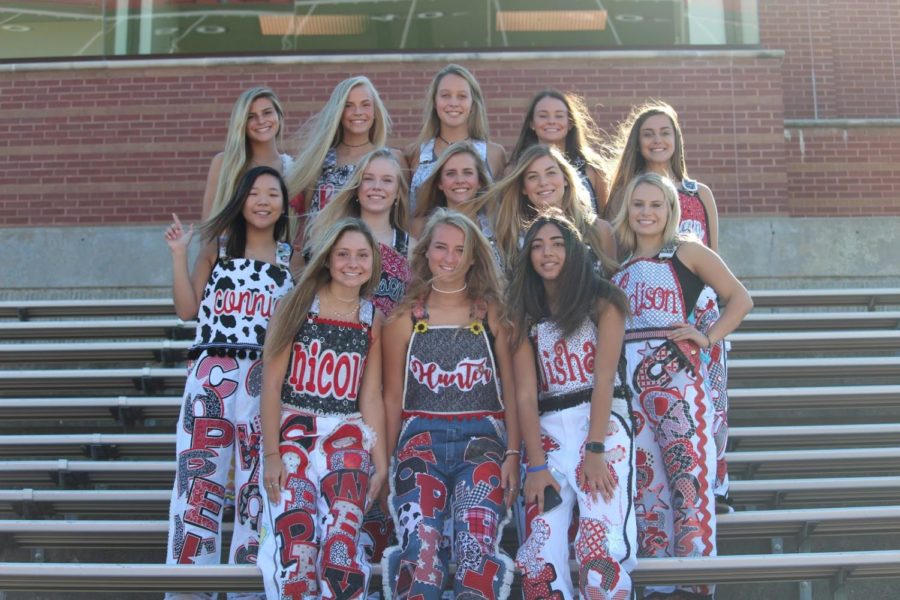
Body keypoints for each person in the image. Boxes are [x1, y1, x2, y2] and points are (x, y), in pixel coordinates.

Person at [610, 172, 752, 599]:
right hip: (633, 394)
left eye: (656, 205)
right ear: (627, 211)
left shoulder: (687, 251)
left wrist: (707, 337)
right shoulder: (620, 268)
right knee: (646, 491)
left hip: (679, 389)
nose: (646, 213)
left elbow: (740, 298)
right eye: (638, 205)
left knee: (688, 488)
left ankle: (695, 587)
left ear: (670, 209)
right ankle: (657, 586)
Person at [164, 166, 293, 599]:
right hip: (210, 375)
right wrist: (179, 255)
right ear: (239, 200)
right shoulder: (214, 250)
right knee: (197, 485)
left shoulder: (294, 258)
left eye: (272, 193)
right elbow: (186, 309)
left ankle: (248, 590)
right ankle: (188, 591)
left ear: (283, 204)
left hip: (264, 379)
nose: (262, 200)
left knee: (257, 489)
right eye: (253, 192)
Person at [380, 209, 520, 600]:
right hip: (419, 443)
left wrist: (513, 453)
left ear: (474, 257)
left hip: (483, 445)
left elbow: (511, 389)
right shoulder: (406, 317)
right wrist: (385, 460)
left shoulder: (489, 311)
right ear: (425, 252)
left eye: (460, 250)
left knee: (476, 554)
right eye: (440, 247)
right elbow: (393, 397)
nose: (449, 258)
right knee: (419, 554)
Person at [606, 101, 731, 510]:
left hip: (700, 310)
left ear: (676, 140)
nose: (657, 140)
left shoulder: (699, 194)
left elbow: (712, 254)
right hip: (650, 318)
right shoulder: (628, 195)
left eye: (665, 132)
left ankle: (714, 489)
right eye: (649, 133)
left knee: (711, 404)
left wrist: (710, 330)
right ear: (638, 144)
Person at [257, 218, 388, 600]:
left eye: (362, 255)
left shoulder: (372, 318)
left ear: (373, 262)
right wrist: (271, 455)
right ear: (328, 259)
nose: (353, 263)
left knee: (341, 548)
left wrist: (380, 461)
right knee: (297, 548)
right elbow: (270, 383)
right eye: (343, 254)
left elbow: (371, 396)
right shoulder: (297, 305)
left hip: (346, 438)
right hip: (295, 434)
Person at [508, 209, 636, 599]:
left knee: (599, 547)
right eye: (538, 246)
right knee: (538, 560)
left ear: (575, 250)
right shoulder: (524, 312)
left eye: (558, 244)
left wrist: (595, 449)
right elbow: (526, 395)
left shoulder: (603, 300)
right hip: (547, 432)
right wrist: (535, 464)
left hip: (601, 425)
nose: (547, 253)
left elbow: (603, 379)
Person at [285, 76, 397, 250]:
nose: (358, 111)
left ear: (375, 110)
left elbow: (401, 218)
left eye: (365, 104)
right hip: (321, 259)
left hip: (372, 259)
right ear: (338, 111)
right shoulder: (319, 160)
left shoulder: (390, 160)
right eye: (348, 105)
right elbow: (306, 219)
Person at [304, 148, 412, 318]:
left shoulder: (411, 246)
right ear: (356, 187)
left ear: (398, 192)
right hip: (339, 334)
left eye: (387, 180)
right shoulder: (332, 238)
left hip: (389, 340)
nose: (377, 187)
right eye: (368, 179)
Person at [492, 144, 617, 276]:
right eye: (533, 177)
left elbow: (613, 289)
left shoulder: (600, 230)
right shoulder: (511, 237)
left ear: (565, 179)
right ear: (523, 188)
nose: (543, 182)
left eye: (551, 173)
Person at [406, 64, 506, 212]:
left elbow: (503, 211)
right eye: (445, 95)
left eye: (462, 96)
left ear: (472, 103)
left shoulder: (494, 154)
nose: (453, 103)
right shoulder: (414, 153)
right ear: (434, 102)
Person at [509, 89, 608, 217]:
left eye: (559, 115)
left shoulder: (592, 168)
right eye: (543, 115)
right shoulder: (515, 169)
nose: (551, 121)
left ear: (570, 123)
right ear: (532, 123)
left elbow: (605, 216)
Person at [201, 87, 292, 221]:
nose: (261, 121)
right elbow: (209, 225)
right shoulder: (224, 163)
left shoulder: (292, 169)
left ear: (279, 115)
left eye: (267, 112)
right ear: (242, 123)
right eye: (251, 116)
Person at [410, 141, 499, 258]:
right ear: (440, 183)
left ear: (480, 182)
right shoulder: (418, 228)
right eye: (451, 173)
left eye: (467, 173)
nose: (459, 180)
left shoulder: (498, 226)